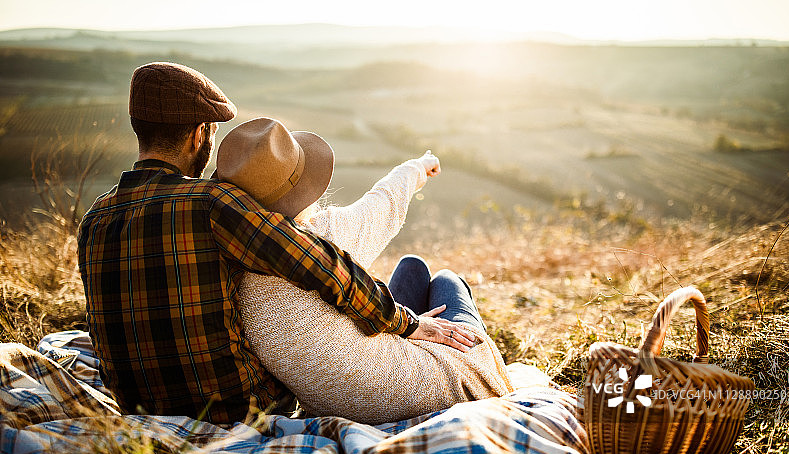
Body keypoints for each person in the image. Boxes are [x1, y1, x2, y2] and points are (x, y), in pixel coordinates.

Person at [76, 62, 472, 425]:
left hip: (136, 407)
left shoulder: (94, 218)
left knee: (411, 273)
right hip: (238, 409)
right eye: (212, 134)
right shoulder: (210, 203)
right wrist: (408, 323)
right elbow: (321, 264)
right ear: (200, 134)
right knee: (424, 277)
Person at [216, 118, 514, 424]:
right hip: (410, 392)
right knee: (447, 280)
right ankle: (476, 363)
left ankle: (419, 329)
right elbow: (383, 204)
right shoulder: (318, 237)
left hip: (333, 401)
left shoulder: (235, 268)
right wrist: (418, 166)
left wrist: (410, 324)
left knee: (412, 266)